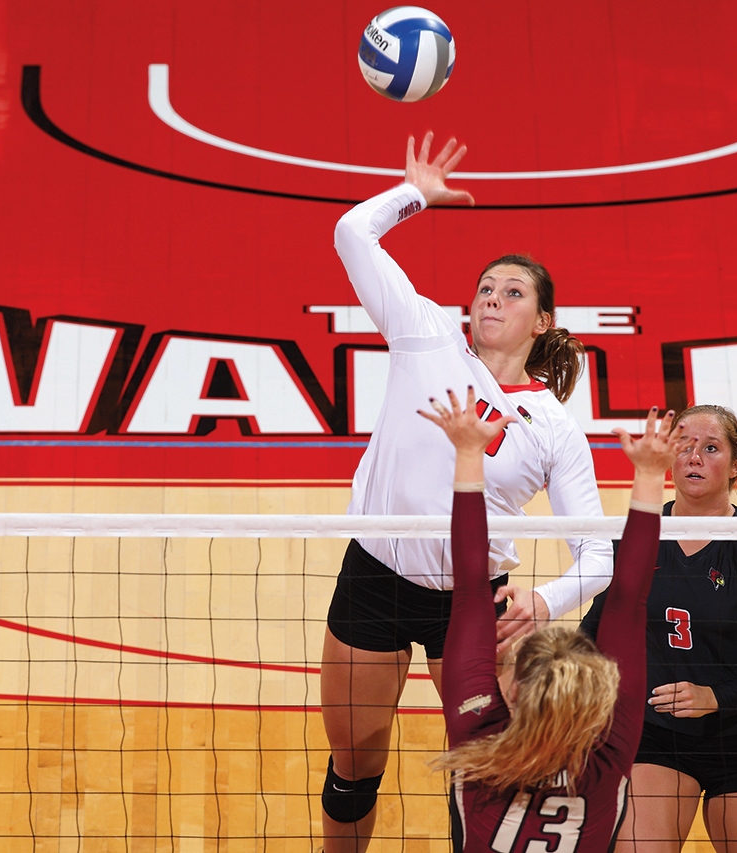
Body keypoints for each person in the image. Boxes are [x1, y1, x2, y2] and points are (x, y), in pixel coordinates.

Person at [320, 132, 613, 852]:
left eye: (512, 292)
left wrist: (546, 601)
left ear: (541, 321)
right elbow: (351, 232)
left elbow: (599, 554)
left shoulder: (550, 425)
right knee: (356, 764)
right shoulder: (424, 334)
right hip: (376, 580)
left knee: (487, 768)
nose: (492, 297)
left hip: (478, 603)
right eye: (485, 287)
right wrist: (416, 193)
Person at [425, 393, 689, 852]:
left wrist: (468, 453)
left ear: (511, 690)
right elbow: (628, 603)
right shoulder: (608, 751)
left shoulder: (478, 739)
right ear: (594, 695)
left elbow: (467, 589)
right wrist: (650, 474)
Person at [579, 405, 737, 853]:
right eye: (683, 447)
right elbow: (595, 633)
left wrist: (714, 697)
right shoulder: (637, 537)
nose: (694, 458)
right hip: (654, 736)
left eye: (710, 448)